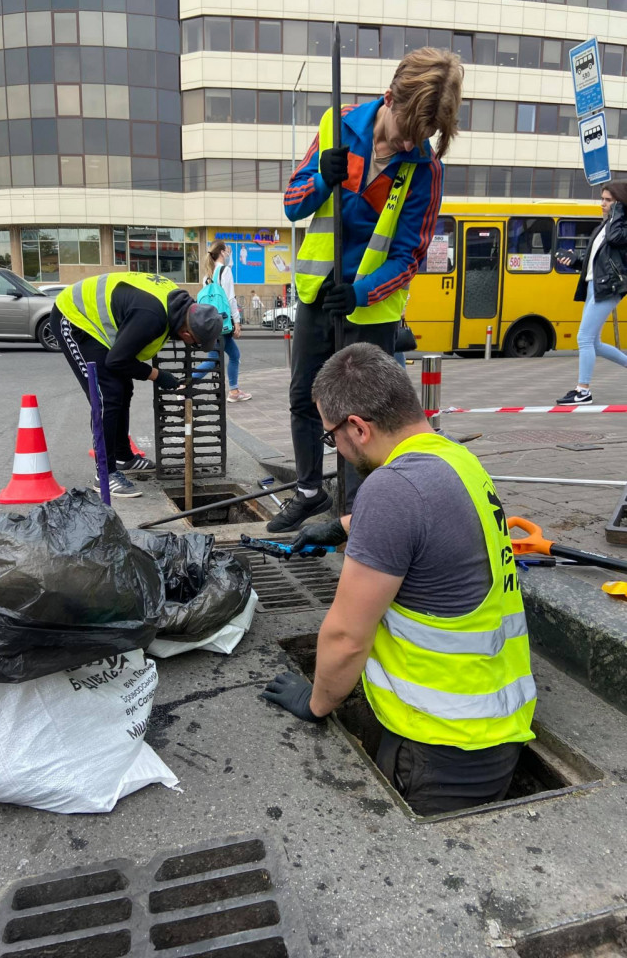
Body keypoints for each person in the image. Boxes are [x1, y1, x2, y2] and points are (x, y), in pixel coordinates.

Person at [263, 343, 536, 816]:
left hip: (437, 753)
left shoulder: (390, 489)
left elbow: (347, 637)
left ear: (358, 428)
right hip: (492, 734)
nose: (338, 450)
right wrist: (342, 526)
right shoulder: (456, 459)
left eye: (332, 438)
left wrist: (317, 702)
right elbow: (434, 521)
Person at [268, 47, 464, 533]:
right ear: (390, 96)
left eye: (420, 140)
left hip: (370, 311)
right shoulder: (338, 127)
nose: (406, 147)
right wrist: (320, 178)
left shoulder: (424, 168)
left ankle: (358, 517)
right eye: (404, 135)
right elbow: (293, 205)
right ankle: (310, 493)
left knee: (364, 418)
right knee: (304, 398)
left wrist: (362, 292)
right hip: (318, 294)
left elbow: (409, 257)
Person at [51, 273, 222, 497]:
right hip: (75, 318)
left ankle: (123, 457)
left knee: (124, 387)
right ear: (187, 332)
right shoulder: (152, 317)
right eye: (196, 343)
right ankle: (105, 473)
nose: (194, 346)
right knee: (108, 395)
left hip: (100, 327)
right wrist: (157, 375)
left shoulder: (176, 305)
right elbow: (117, 360)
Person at [555, 182, 627, 405]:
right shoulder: (603, 226)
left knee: (583, 338)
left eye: (608, 200)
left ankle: (583, 390)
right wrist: (575, 261)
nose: (603, 204)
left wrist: (618, 212)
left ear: (620, 203)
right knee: (593, 343)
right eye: (602, 199)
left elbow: (616, 239)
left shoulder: (620, 226)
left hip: (608, 288)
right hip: (593, 285)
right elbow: (595, 262)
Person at [197, 240, 252, 403]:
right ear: (222, 252)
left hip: (210, 323)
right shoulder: (225, 271)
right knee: (215, 360)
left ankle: (234, 390)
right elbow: (230, 299)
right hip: (223, 323)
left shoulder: (207, 275)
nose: (228, 254)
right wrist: (237, 322)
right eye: (227, 251)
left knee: (231, 355)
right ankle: (184, 385)